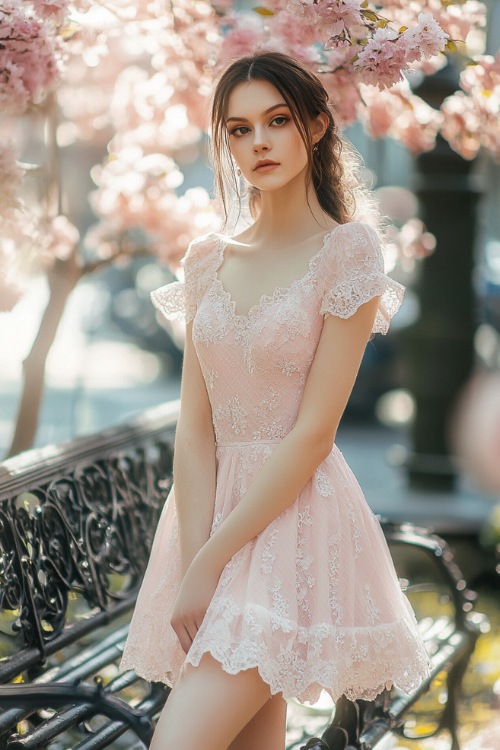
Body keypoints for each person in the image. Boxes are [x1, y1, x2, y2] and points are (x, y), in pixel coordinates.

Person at [120, 51, 430, 750]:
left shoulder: (349, 253)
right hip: (206, 523)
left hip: (295, 524)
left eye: (277, 121)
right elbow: (195, 431)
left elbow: (314, 433)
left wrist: (212, 563)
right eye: (238, 129)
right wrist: (195, 554)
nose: (258, 142)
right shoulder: (207, 258)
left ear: (316, 126)